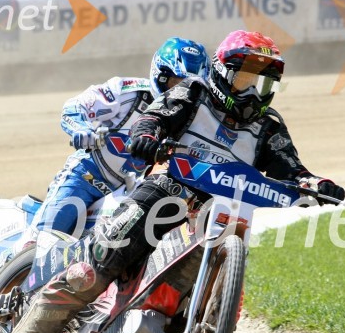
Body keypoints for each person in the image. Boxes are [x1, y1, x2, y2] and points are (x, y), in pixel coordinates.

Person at [0, 30, 345, 333]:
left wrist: (316, 184)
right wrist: (146, 135)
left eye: (263, 82)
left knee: (212, 311)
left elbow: (293, 169)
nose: (253, 90)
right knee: (92, 269)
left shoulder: (268, 125)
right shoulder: (193, 93)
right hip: (165, 195)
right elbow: (154, 117)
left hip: (217, 214)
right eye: (246, 79)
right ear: (224, 72)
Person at [28, 37, 210, 238]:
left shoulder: (194, 118)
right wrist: (81, 129)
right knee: (43, 240)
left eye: (189, 87)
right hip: (86, 177)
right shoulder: (127, 91)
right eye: (176, 83)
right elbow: (74, 107)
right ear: (161, 75)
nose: (181, 93)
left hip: (135, 193)